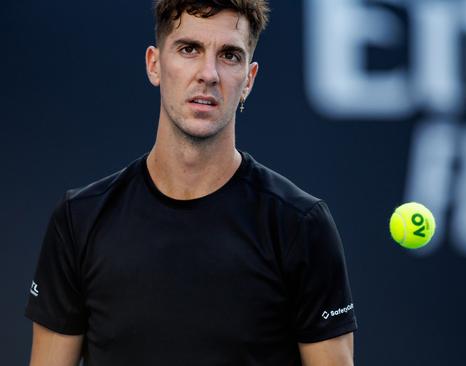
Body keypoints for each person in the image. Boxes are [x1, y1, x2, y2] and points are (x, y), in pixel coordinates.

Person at [25, 1, 357, 365]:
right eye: (189, 49)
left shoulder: (301, 225)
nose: (208, 73)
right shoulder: (78, 220)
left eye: (230, 55)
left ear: (249, 79)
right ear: (154, 64)